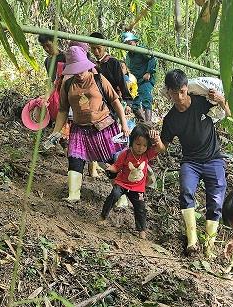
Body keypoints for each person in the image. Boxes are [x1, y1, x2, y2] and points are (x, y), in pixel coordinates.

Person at [157, 69, 230, 256]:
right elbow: (163, 146)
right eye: (174, 93)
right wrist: (153, 141)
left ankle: (210, 246)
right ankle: (192, 241)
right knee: (186, 191)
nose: (179, 97)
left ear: (186, 88)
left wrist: (221, 100)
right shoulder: (170, 119)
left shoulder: (201, 102)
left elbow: (228, 114)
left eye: (182, 92)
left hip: (214, 158)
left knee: (216, 200)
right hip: (191, 162)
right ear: (169, 93)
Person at [48, 46, 131, 202]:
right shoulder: (68, 85)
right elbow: (63, 110)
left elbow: (115, 101)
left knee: (113, 160)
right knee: (75, 158)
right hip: (79, 129)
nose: (79, 73)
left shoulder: (99, 79)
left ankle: (121, 198)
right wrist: (56, 131)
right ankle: (73, 194)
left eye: (81, 69)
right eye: (75, 70)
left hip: (104, 127)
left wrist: (124, 124)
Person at [101, 124, 163, 238]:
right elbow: (117, 166)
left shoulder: (147, 155)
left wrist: (157, 139)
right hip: (122, 183)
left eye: (144, 145)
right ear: (132, 142)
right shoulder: (125, 154)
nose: (140, 148)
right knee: (114, 194)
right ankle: (103, 216)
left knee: (140, 207)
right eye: (138, 144)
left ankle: (141, 230)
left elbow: (159, 148)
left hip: (138, 188)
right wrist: (111, 168)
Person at [122, 31, 158, 123]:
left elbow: (152, 58)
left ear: (135, 42)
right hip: (136, 82)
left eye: (130, 43)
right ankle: (143, 122)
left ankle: (148, 123)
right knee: (134, 104)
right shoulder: (128, 57)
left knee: (146, 99)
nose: (129, 46)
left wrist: (148, 72)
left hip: (145, 80)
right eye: (126, 44)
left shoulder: (141, 50)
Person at [90, 32, 132, 102]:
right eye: (93, 48)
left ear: (104, 47)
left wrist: (128, 101)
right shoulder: (91, 64)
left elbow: (121, 82)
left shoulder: (113, 62)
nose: (96, 52)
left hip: (112, 101)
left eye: (98, 48)